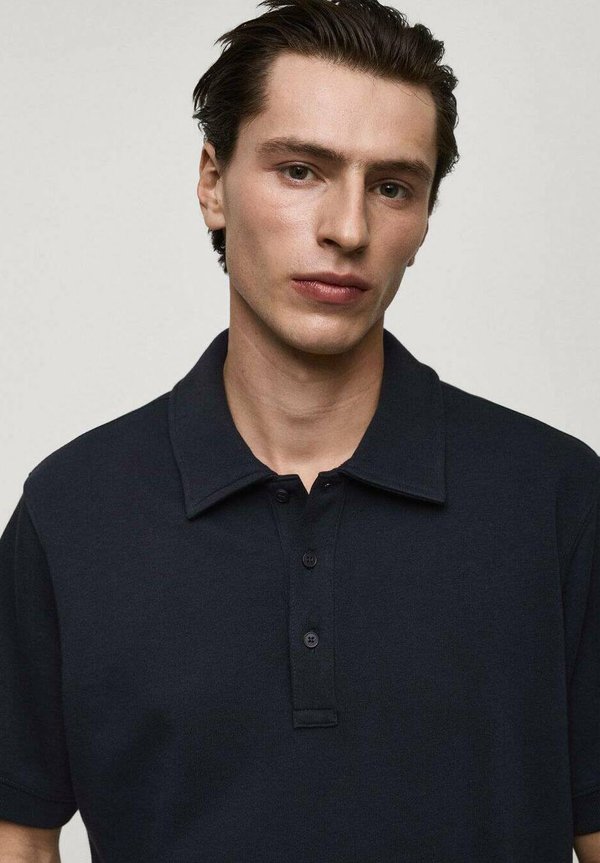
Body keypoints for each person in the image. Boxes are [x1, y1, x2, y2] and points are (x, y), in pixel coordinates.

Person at [0, 0, 598, 860]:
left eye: (392, 186)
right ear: (213, 183)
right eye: (301, 170)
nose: (347, 229)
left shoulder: (556, 499)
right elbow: (18, 836)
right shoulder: (73, 511)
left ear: (424, 219)